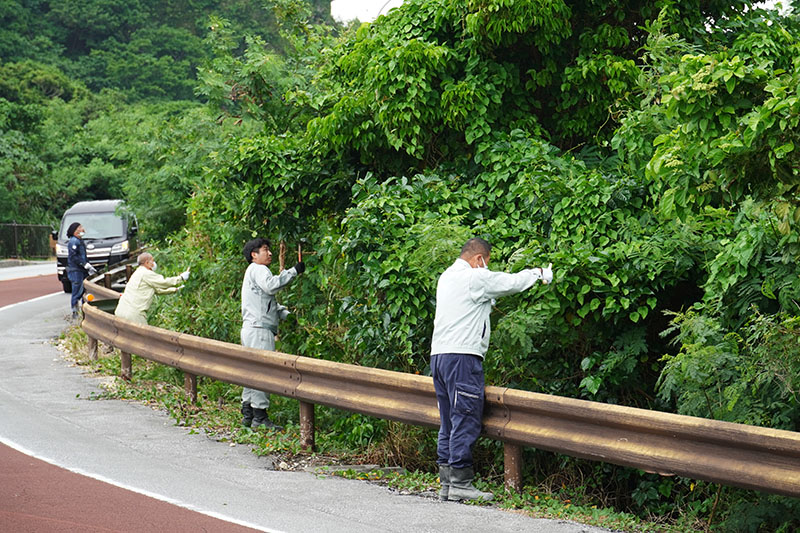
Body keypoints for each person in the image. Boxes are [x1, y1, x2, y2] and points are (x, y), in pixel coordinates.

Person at [430, 237, 553, 502]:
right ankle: (461, 483)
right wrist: (538, 274)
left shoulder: (446, 277)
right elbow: (509, 282)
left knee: (448, 420)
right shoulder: (475, 278)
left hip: (439, 356)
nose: (487, 267)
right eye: (487, 262)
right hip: (463, 357)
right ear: (479, 259)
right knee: (465, 416)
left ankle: (447, 483)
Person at [240, 237, 305, 430]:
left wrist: (286, 315)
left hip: (251, 328)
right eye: (265, 250)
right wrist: (293, 271)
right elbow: (271, 286)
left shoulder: (251, 272)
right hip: (259, 330)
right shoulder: (259, 269)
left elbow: (267, 302)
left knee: (251, 371)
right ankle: (260, 416)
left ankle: (248, 413)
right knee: (262, 372)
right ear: (254, 255)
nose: (269, 254)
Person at [114, 252, 189, 325]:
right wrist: (181, 278)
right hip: (133, 313)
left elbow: (157, 290)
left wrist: (175, 289)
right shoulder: (146, 273)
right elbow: (163, 282)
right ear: (147, 263)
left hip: (121, 310)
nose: (154, 263)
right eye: (152, 261)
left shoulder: (137, 273)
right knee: (143, 336)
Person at [66, 222, 97, 318]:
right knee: (77, 291)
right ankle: (75, 313)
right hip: (76, 270)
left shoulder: (79, 241)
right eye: (79, 228)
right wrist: (84, 264)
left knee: (83, 290)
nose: (82, 229)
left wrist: (87, 265)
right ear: (74, 231)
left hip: (81, 270)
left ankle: (83, 312)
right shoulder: (74, 241)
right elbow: (74, 256)